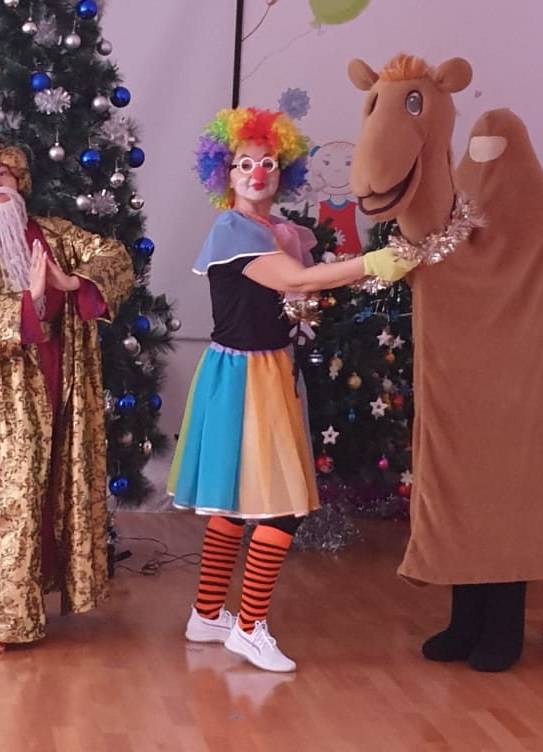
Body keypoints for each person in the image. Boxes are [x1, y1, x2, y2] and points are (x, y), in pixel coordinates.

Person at [170, 106, 414, 673]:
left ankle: (207, 615)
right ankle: (249, 627)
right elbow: (298, 280)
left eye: (268, 163)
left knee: (233, 502)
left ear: (284, 171)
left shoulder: (274, 230)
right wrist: (376, 261)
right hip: (245, 377)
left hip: (262, 371)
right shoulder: (232, 231)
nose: (257, 173)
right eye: (244, 164)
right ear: (224, 173)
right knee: (281, 507)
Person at [0, 139, 133, 653]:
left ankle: (49, 587)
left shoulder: (56, 234)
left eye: (3, 175)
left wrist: (73, 282)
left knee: (59, 484)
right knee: (7, 494)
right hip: (3, 397)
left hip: (65, 378)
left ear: (20, 184)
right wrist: (25, 302)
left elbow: (113, 256)